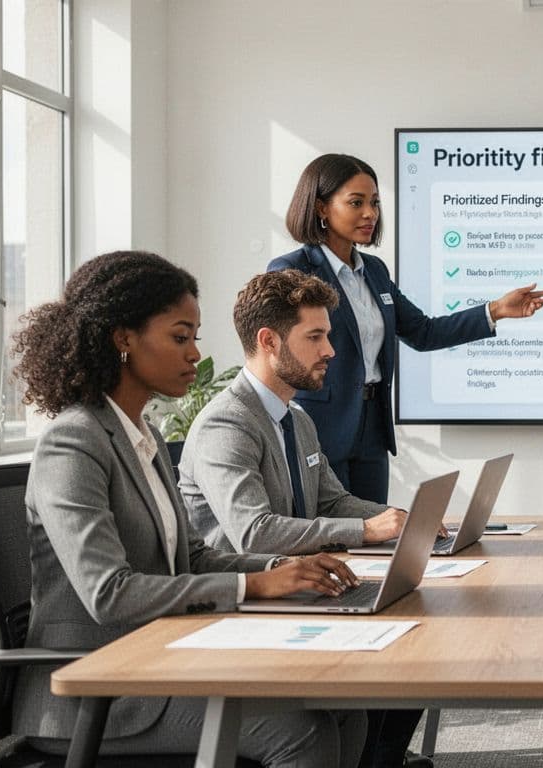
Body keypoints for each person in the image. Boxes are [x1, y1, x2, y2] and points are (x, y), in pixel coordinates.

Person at [10, 251, 367, 768]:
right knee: (302, 730)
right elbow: (109, 594)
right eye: (180, 338)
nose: (196, 356)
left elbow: (194, 557)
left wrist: (281, 569)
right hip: (102, 689)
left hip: (163, 653)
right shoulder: (74, 440)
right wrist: (255, 585)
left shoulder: (143, 434)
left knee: (342, 707)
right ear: (122, 339)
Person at [177, 268, 431, 767]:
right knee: (391, 665)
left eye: (328, 335)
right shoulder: (227, 424)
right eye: (314, 337)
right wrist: (365, 530)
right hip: (245, 604)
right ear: (269, 341)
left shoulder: (297, 418)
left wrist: (399, 517)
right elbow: (255, 533)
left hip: (299, 589)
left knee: (413, 647)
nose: (330, 350)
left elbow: (333, 502)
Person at [269, 153, 543, 504]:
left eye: (374, 202)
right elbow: (279, 353)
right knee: (333, 539)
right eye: (356, 203)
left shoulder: (373, 271)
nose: (370, 213)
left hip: (372, 426)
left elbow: (423, 332)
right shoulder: (291, 270)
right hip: (321, 424)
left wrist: (495, 310)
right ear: (322, 208)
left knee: (375, 533)